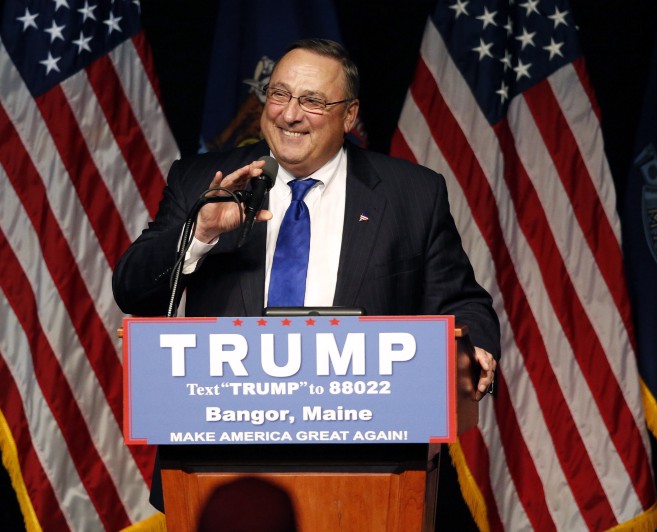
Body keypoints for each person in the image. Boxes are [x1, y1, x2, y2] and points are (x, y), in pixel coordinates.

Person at [112, 37, 500, 510]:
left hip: (369, 469)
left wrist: (473, 348)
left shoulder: (412, 194)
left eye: (312, 101)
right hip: (221, 468)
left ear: (350, 115)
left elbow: (462, 302)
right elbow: (132, 290)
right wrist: (200, 233)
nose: (289, 114)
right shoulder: (202, 180)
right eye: (279, 94)